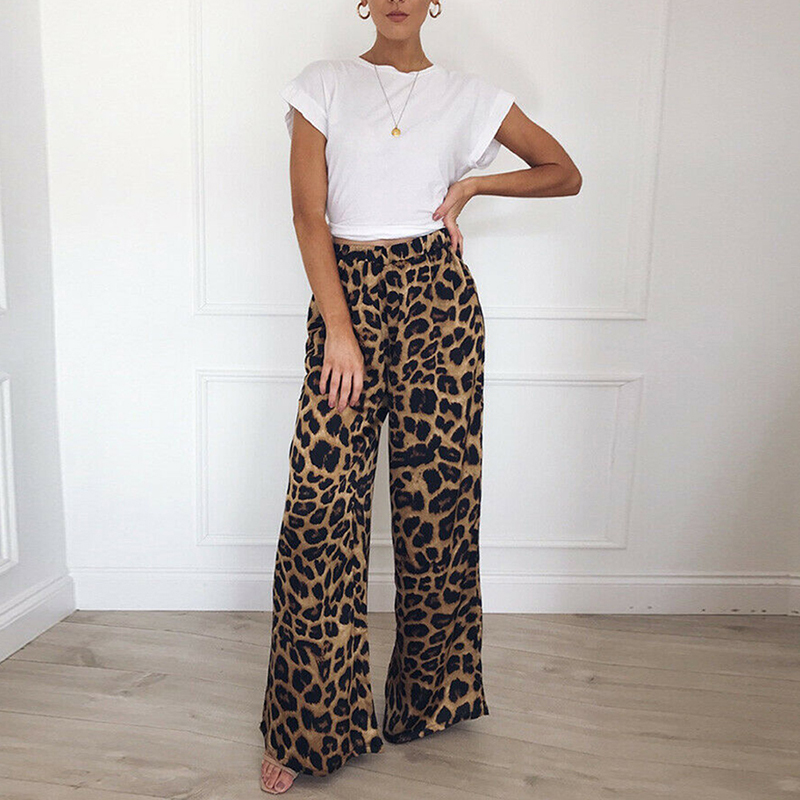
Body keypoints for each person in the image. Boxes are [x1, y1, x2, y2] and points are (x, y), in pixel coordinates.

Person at [259, 0, 581, 793]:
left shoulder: (470, 95)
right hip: (346, 300)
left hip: (438, 303)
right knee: (319, 515)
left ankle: (429, 700)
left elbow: (564, 172)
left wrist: (473, 186)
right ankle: (309, 727)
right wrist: (339, 329)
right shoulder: (324, 83)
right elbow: (307, 213)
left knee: (438, 511)